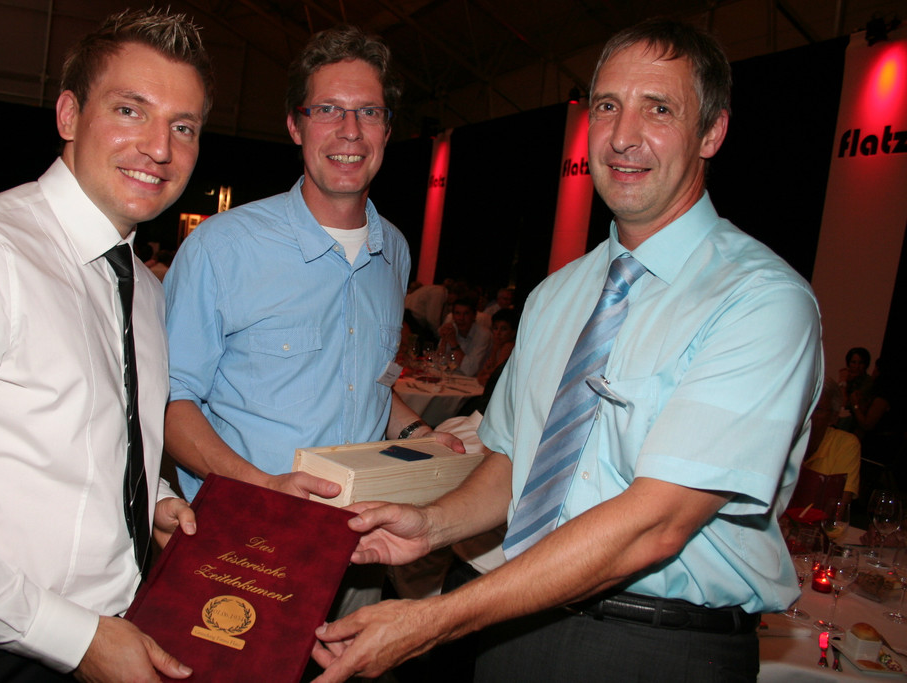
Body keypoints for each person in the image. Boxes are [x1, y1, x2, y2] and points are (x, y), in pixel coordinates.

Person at [310, 18, 822, 683]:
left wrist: (433, 619)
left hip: (658, 648)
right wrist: (430, 524)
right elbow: (513, 464)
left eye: (658, 109)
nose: (623, 135)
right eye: (607, 106)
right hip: (517, 618)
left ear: (712, 131)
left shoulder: (759, 302)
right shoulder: (557, 295)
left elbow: (657, 524)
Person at [0, 8, 213, 681]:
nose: (159, 148)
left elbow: (94, 434)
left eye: (183, 127)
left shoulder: (145, 289)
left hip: (115, 629)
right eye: (130, 110)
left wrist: (150, 500)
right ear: (69, 114)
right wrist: (75, 638)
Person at [163, 25, 462, 502]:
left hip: (363, 523)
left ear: (387, 130)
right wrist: (265, 486)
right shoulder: (222, 248)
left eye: (369, 112)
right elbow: (170, 402)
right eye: (327, 110)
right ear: (295, 126)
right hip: (249, 525)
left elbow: (368, 385)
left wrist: (418, 434)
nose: (351, 130)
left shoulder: (394, 251)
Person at [801, 378, 862, 508]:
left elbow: (839, 507)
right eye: (804, 405)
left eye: (817, 409)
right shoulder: (782, 438)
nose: (808, 414)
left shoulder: (845, 444)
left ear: (833, 417)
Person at [437, 295, 492, 377]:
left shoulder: (483, 335)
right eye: (457, 313)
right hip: (452, 376)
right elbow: (438, 364)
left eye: (466, 314)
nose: (461, 318)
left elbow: (470, 371)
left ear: (474, 316)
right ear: (453, 316)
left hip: (474, 381)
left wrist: (453, 343)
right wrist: (444, 341)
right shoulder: (451, 329)